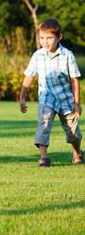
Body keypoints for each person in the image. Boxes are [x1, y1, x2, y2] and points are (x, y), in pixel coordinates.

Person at [19, 18, 83, 167]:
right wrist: (22, 97)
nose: (45, 42)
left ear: (59, 37)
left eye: (49, 38)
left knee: (73, 132)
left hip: (66, 99)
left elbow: (74, 80)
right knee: (44, 124)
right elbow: (29, 76)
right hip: (46, 98)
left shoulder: (67, 55)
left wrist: (77, 103)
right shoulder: (37, 55)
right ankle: (44, 157)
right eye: (42, 38)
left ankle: (77, 152)